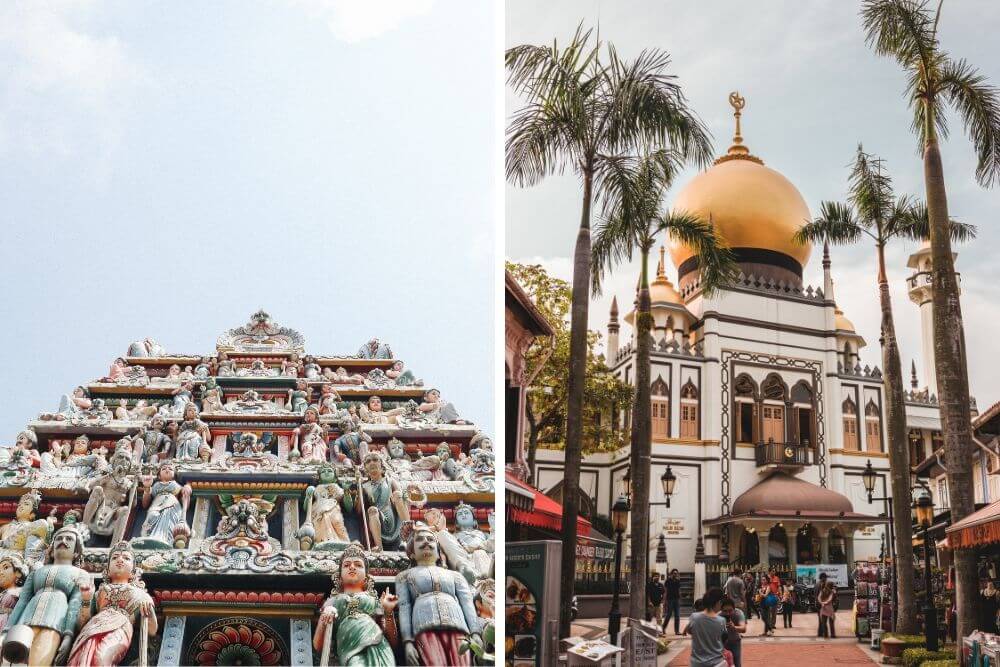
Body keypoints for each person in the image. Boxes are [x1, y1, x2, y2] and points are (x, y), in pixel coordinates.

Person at [685, 588, 727, 667]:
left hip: (697, 663)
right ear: (719, 602)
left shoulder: (694, 617)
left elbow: (689, 631)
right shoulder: (721, 621)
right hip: (716, 662)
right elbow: (722, 638)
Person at [720, 596, 746, 667]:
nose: (728, 613)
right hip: (721, 643)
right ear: (721, 610)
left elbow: (743, 628)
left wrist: (734, 627)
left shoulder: (738, 613)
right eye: (725, 611)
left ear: (734, 609)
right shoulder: (718, 615)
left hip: (735, 641)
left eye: (730, 610)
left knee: (737, 663)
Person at [663, 569, 682, 635]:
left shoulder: (678, 581)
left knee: (677, 616)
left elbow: (679, 590)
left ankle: (677, 631)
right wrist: (664, 601)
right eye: (674, 573)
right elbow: (665, 591)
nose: (675, 574)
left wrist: (680, 599)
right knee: (669, 615)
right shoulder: (668, 581)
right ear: (671, 574)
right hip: (670, 599)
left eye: (676, 573)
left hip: (676, 599)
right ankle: (663, 628)